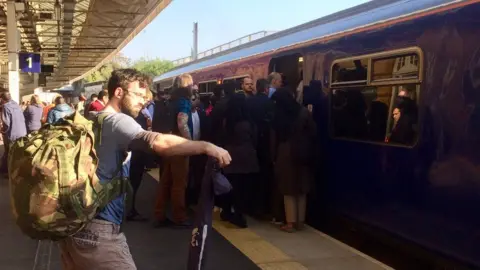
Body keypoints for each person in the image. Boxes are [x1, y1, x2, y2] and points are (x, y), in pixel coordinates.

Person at [58, 69, 231, 270]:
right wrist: (206, 146)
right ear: (119, 93)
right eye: (138, 95)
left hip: (76, 227)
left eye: (145, 96)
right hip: (99, 231)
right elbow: (158, 142)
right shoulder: (117, 121)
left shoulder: (92, 117)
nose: (143, 101)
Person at [0, 88, 27, 173]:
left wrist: (3, 131)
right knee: (17, 152)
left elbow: (6, 123)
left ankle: (7, 171)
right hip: (22, 132)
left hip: (12, 134)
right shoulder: (16, 104)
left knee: (9, 152)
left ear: (2, 99)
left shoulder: (5, 106)